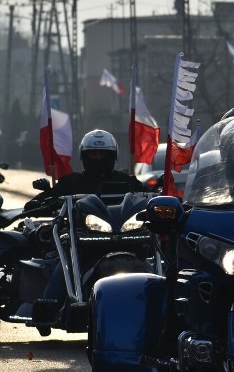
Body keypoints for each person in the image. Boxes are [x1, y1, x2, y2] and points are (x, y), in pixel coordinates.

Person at [25, 130, 144, 335]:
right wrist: (45, 197)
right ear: (84, 156)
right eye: (93, 155)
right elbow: (43, 202)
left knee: (159, 255)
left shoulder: (128, 182)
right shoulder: (71, 182)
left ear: (112, 156)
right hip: (83, 240)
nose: (98, 159)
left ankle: (173, 308)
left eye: (103, 155)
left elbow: (146, 198)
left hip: (125, 237)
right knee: (66, 264)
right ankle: (47, 310)